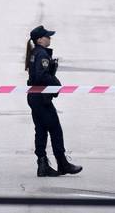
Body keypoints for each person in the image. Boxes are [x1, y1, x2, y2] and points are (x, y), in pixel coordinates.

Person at [25, 25, 82, 177]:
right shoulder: (42, 54)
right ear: (39, 39)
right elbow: (40, 76)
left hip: (36, 97)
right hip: (41, 98)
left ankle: (43, 164)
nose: (49, 38)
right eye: (47, 36)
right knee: (55, 129)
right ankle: (62, 163)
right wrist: (56, 83)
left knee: (41, 130)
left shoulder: (36, 52)